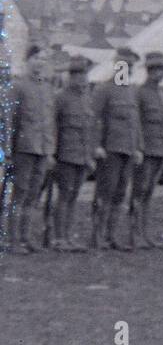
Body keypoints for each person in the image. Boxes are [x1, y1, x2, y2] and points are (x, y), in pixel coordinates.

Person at [4, 46, 55, 253]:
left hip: (42, 149)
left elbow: (51, 122)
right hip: (24, 149)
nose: (39, 62)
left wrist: (51, 150)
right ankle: (12, 240)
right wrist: (8, 151)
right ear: (27, 61)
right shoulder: (18, 87)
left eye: (43, 59)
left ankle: (26, 238)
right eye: (36, 58)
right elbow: (9, 122)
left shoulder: (47, 88)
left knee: (34, 195)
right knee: (20, 194)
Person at [91, 46, 142, 251]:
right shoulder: (103, 89)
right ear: (115, 65)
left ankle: (111, 235)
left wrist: (138, 147)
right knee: (105, 192)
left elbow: (134, 122)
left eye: (130, 66)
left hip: (127, 150)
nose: (126, 69)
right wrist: (96, 146)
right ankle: (97, 236)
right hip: (110, 150)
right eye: (123, 65)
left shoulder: (131, 90)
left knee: (121, 193)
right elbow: (94, 120)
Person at [52, 54, 94, 252]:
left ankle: (68, 236)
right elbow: (54, 127)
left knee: (74, 196)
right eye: (78, 75)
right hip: (65, 155)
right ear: (71, 76)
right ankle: (59, 237)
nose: (82, 79)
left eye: (84, 75)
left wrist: (89, 155)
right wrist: (53, 154)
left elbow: (89, 128)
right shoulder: (61, 97)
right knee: (64, 195)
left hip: (82, 156)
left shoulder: (86, 98)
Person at [130, 50, 163, 248]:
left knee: (149, 193)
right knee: (139, 191)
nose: (160, 73)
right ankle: (134, 233)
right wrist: (139, 147)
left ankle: (143, 232)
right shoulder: (140, 92)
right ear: (148, 71)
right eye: (156, 70)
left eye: (162, 70)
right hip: (145, 151)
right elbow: (136, 122)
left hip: (158, 150)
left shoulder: (162, 94)